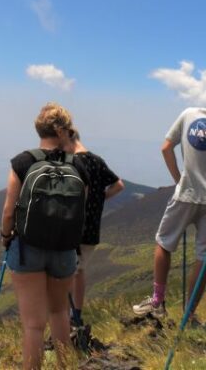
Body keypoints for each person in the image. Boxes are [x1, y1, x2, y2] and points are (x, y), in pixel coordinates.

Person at [132, 96, 206, 321]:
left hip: (186, 193)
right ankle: (188, 313)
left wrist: (179, 180)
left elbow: (166, 147)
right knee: (204, 257)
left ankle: (157, 301)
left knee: (164, 243)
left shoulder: (188, 114)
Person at [0, 102, 89, 369]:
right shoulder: (79, 166)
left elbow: (9, 209)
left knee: (33, 325)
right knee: (60, 312)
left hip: (28, 247)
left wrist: (6, 237)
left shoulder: (23, 161)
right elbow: (81, 207)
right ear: (63, 131)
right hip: (64, 249)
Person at [66, 128, 124, 327]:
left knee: (65, 272)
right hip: (92, 227)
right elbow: (119, 185)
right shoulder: (97, 160)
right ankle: (76, 316)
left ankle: (66, 319)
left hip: (72, 227)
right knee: (80, 271)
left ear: (68, 139)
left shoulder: (72, 162)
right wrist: (100, 199)